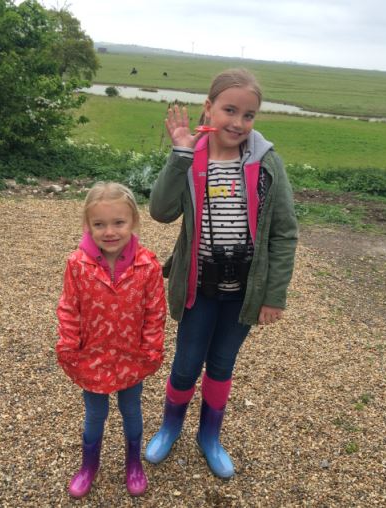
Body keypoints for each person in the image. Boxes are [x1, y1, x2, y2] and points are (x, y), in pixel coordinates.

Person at [145, 68, 298, 479]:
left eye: (249, 115)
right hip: (199, 288)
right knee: (186, 363)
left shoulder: (267, 163)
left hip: (244, 293)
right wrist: (179, 154)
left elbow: (284, 233)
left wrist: (274, 295)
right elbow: (160, 211)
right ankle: (170, 427)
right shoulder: (191, 157)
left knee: (222, 365)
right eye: (230, 110)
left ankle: (209, 437)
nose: (238, 122)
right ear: (209, 107)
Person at [56, 182, 166, 497]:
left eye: (118, 222)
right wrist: (68, 346)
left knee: (131, 410)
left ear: (133, 222)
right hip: (91, 357)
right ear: (87, 225)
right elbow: (69, 307)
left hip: (132, 356)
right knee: (94, 414)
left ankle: (134, 463)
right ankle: (88, 465)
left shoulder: (148, 265)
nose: (110, 232)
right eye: (100, 224)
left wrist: (151, 348)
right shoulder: (77, 264)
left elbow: (155, 311)